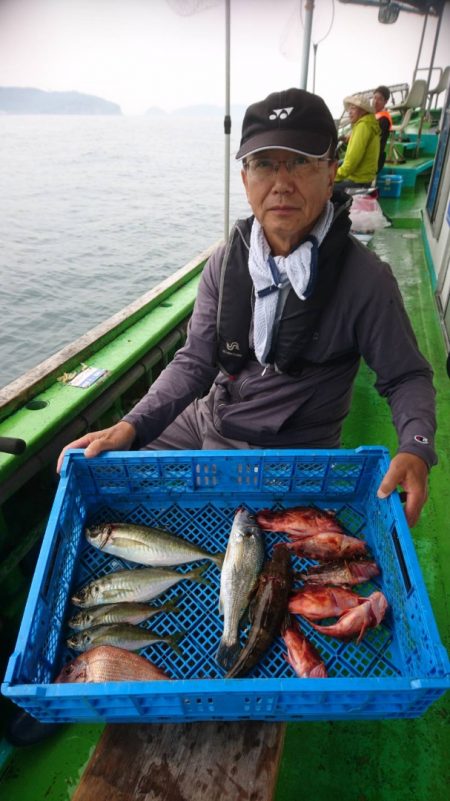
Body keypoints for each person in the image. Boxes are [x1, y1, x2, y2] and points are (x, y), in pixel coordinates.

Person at [57, 87, 436, 527]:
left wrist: (415, 447)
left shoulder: (366, 280)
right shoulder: (227, 260)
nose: (281, 183)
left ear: (331, 172)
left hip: (285, 450)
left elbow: (406, 374)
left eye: (300, 162)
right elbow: (195, 360)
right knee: (113, 489)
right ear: (245, 179)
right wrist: (132, 424)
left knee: (232, 544)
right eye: (263, 164)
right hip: (207, 418)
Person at [334, 93, 380, 190]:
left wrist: (331, 177)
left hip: (358, 182)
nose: (349, 112)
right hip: (366, 178)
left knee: (321, 188)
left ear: (363, 111)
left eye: (353, 108)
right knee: (339, 163)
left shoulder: (362, 126)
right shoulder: (368, 123)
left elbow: (350, 164)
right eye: (349, 108)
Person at [373, 85, 393, 172]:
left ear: (385, 102)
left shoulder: (383, 119)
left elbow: (377, 144)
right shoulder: (373, 115)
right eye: (374, 98)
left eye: (380, 99)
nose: (375, 102)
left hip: (374, 160)